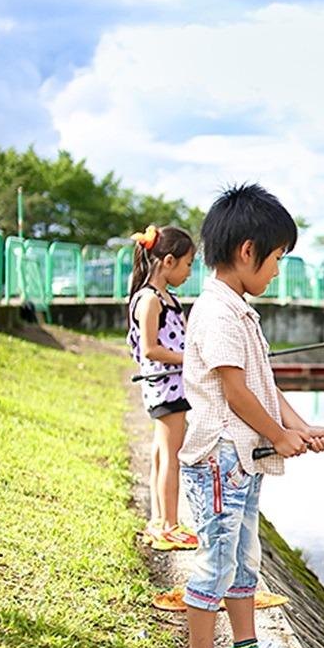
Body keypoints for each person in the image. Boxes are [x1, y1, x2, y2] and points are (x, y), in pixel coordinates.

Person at [176, 183, 324, 648]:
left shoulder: (240, 311)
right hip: (220, 460)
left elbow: (263, 386)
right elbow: (235, 391)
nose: (275, 271)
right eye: (276, 259)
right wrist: (278, 435)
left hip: (243, 459)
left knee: (245, 557)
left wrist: (298, 428)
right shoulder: (218, 312)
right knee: (217, 558)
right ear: (247, 251)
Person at [127, 224, 199, 552]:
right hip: (166, 388)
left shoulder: (169, 299)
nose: (189, 272)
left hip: (173, 386)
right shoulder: (150, 300)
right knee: (171, 455)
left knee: (161, 453)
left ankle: (160, 520)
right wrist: (189, 360)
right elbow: (151, 349)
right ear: (168, 261)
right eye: (187, 264)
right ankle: (170, 525)